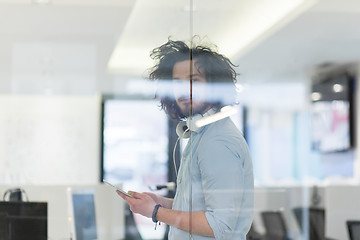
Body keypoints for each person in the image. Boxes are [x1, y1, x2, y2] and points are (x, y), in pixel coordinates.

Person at [117, 38, 254, 240]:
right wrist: (161, 203)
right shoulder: (202, 135)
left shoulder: (217, 142)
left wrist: (155, 212)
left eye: (194, 81)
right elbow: (203, 208)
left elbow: (220, 226)